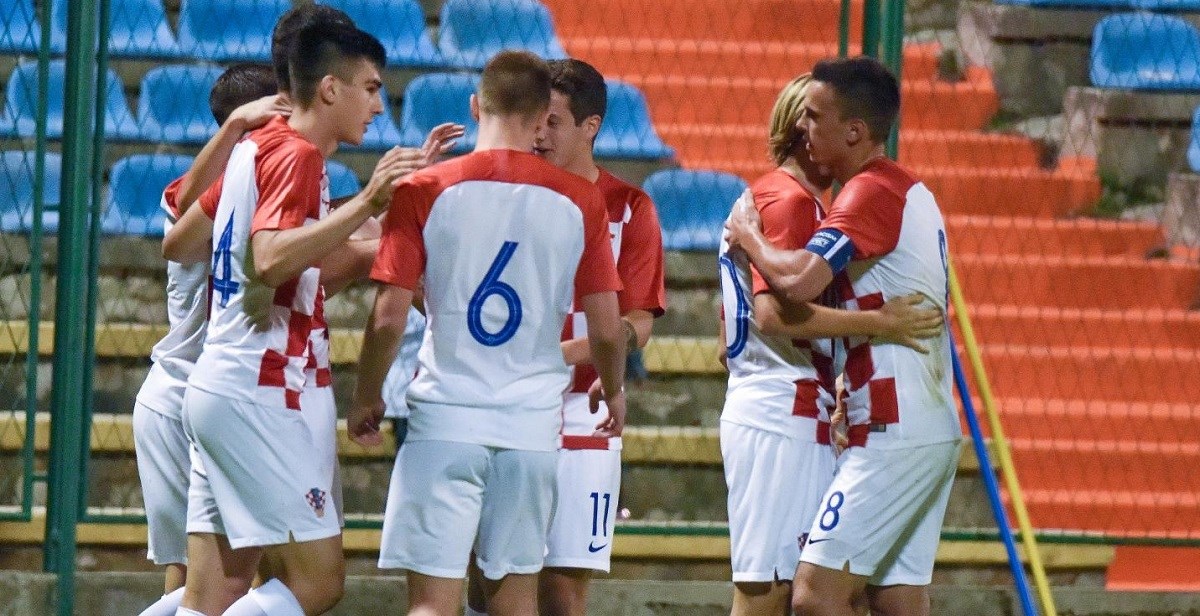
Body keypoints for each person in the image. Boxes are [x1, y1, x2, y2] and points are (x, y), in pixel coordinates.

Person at [348, 50, 627, 616]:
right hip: (530, 427)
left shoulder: (424, 187)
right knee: (514, 605)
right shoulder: (581, 200)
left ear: (477, 107)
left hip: (446, 419)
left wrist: (366, 395)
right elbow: (607, 328)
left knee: (431, 604)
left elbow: (387, 317)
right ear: (542, 115)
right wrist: (614, 389)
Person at [175, 22, 412, 616]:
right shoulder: (298, 155)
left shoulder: (259, 145)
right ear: (330, 89)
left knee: (214, 592)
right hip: (262, 391)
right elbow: (270, 257)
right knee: (317, 583)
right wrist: (368, 202)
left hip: (222, 384)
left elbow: (211, 247)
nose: (379, 105)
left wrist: (375, 240)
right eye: (370, 87)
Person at [724, 56, 961, 616]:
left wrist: (751, 241)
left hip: (892, 430)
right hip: (914, 424)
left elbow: (800, 285)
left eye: (814, 116)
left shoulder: (868, 193)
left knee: (812, 594)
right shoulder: (909, 191)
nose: (802, 129)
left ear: (853, 131)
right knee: (896, 597)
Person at [464, 57, 666, 616]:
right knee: (489, 578)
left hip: (584, 411)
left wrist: (574, 352)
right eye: (535, 120)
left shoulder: (630, 208)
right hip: (505, 406)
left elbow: (640, 322)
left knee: (559, 592)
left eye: (553, 121)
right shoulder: (507, 194)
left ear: (590, 127)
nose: (540, 134)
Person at [131, 64, 281, 616]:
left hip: (190, 396)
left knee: (197, 584)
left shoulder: (245, 188)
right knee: (228, 579)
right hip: (198, 395)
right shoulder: (210, 192)